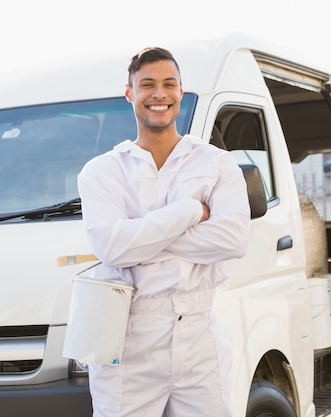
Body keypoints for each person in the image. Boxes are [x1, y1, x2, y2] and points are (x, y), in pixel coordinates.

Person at [77, 47, 251, 417]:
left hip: (199, 331)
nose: (159, 94)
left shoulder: (215, 162)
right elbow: (111, 247)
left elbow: (233, 239)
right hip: (128, 335)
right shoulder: (102, 172)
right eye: (148, 85)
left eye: (169, 84)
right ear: (130, 93)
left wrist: (138, 239)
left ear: (181, 91)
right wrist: (189, 211)